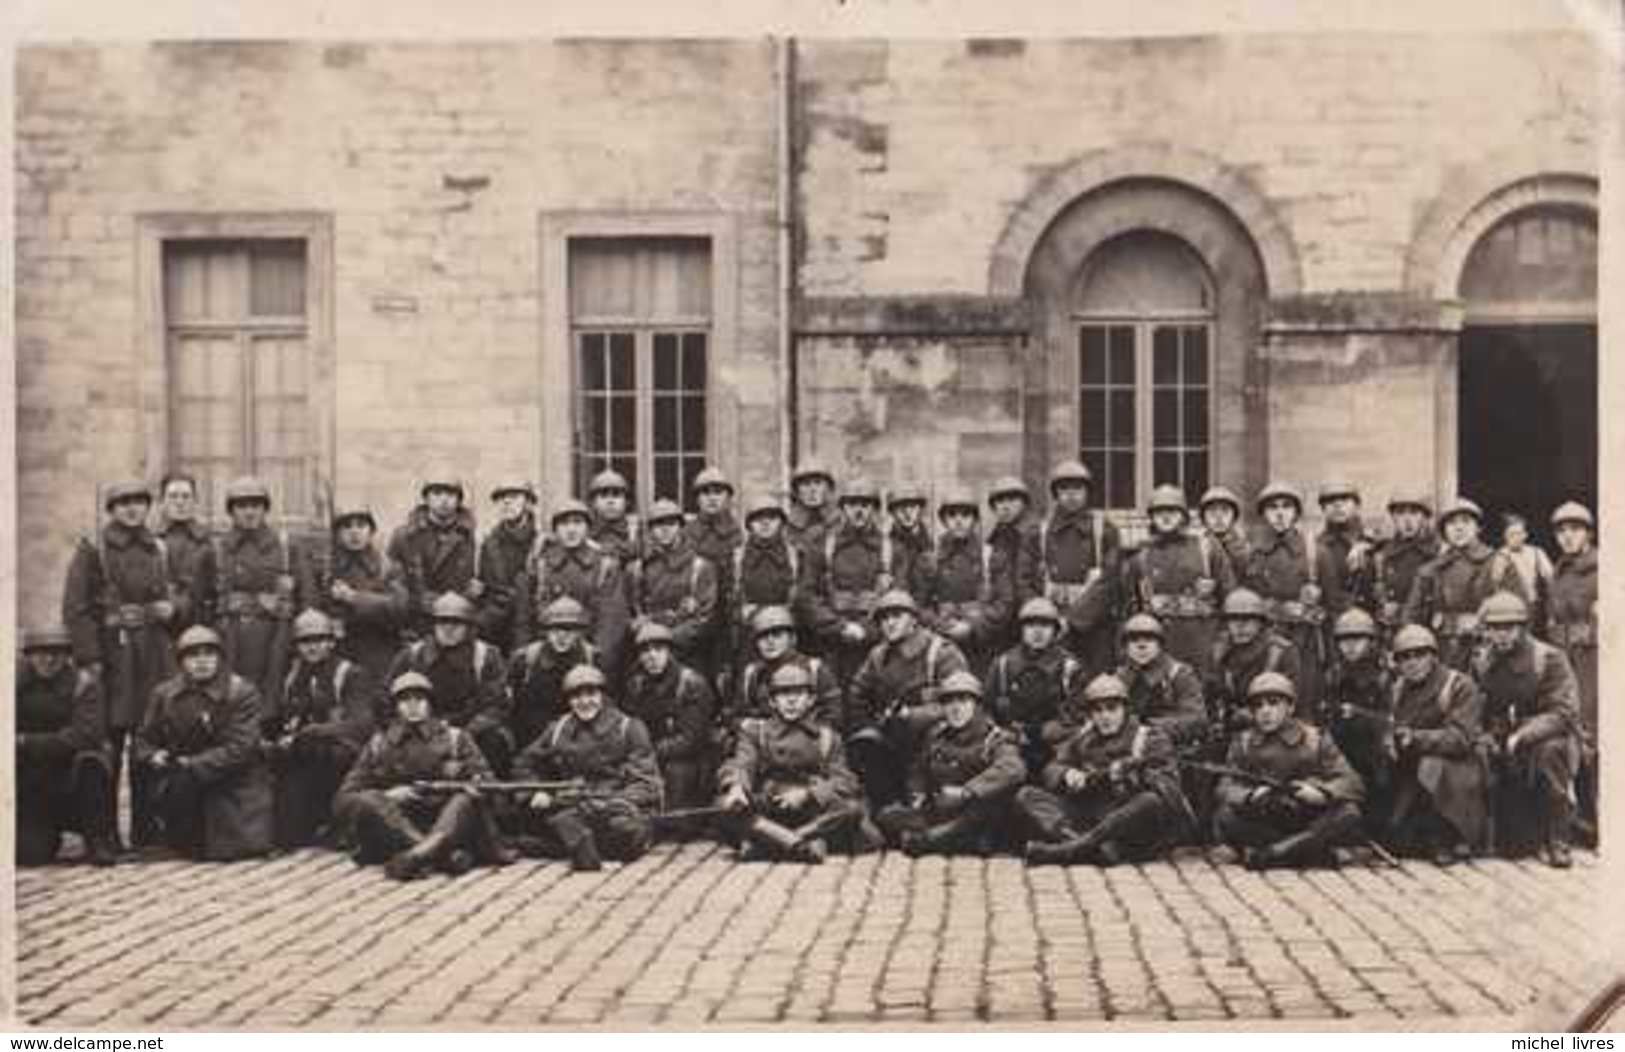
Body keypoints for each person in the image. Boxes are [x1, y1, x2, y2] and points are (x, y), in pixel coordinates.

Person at [62, 479, 177, 848]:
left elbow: (177, 596)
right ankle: (104, 831)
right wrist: (90, 658)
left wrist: (172, 609)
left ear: (148, 507)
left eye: (138, 503)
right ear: (111, 510)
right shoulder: (93, 548)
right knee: (107, 742)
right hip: (112, 657)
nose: (131, 509)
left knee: (147, 739)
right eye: (123, 503)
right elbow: (76, 608)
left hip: (154, 656)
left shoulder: (159, 547)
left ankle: (148, 828)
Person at [333, 670, 502, 881]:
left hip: (449, 825)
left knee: (464, 801)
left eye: (419, 699)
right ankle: (437, 854)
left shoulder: (455, 738)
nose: (412, 706)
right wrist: (389, 796)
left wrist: (475, 785)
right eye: (405, 700)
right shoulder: (379, 744)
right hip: (396, 826)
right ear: (396, 706)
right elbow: (344, 799)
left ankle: (415, 856)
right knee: (369, 799)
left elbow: (490, 783)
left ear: (430, 704)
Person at [1018, 674, 1192, 866]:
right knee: (1027, 795)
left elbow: (1169, 789)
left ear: (1125, 710)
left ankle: (1070, 850)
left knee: (1149, 801)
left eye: (1112, 709)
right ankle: (1087, 844)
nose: (1105, 716)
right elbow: (1052, 768)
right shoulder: (1084, 738)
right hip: (1094, 814)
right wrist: (1066, 774)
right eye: (1098, 711)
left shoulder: (1148, 738)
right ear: (1091, 715)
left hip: (1131, 825)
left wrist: (1133, 776)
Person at [134, 626, 274, 861]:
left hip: (232, 783)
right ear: (181, 662)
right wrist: (153, 755)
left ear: (220, 658)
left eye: (209, 654)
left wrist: (190, 764)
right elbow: (143, 739)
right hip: (184, 783)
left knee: (229, 847)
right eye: (192, 655)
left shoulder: (241, 692)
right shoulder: (164, 694)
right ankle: (158, 833)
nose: (202, 661)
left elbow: (241, 749)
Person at [1470, 592, 1582, 868]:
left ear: (1523, 627)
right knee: (1514, 846)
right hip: (1504, 736)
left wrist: (1523, 735)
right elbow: (1479, 707)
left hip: (1548, 735)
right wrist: (1486, 735)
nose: (1501, 636)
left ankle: (1559, 839)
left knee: (1549, 755)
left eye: (1509, 628)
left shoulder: (1549, 658)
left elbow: (1563, 712)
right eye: (1494, 628)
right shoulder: (1483, 662)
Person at [717, 663, 872, 863]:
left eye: (798, 694)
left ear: (810, 700)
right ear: (773, 701)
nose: (791, 701)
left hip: (812, 813)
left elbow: (844, 781)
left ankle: (775, 843)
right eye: (783, 695)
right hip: (770, 807)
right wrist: (737, 787)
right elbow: (743, 762)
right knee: (723, 807)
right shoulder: (756, 732)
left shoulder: (827, 736)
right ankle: (802, 844)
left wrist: (808, 794)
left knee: (852, 810)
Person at [512, 665, 662, 871]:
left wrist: (610, 802)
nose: (584, 702)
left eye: (591, 693)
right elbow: (524, 763)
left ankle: (571, 845)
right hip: (571, 805)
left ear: (602, 695)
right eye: (576, 696)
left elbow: (646, 784)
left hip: (614, 810)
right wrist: (536, 791)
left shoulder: (629, 728)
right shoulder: (558, 729)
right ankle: (578, 844)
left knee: (626, 831)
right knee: (539, 822)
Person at [1212, 672, 1365, 870]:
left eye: (1274, 703)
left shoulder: (1315, 738)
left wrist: (1321, 793)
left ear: (1290, 707)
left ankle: (1273, 854)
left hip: (1308, 818)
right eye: (1258, 706)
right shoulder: (1243, 742)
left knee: (1349, 812)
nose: (1265, 711)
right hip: (1267, 820)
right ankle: (1312, 853)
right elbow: (1224, 787)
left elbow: (1353, 783)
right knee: (1225, 816)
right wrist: (1250, 795)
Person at [875, 672, 1026, 856]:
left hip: (975, 812)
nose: (955, 709)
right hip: (942, 809)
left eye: (963, 701)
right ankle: (952, 840)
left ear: (977, 705)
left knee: (983, 812)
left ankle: (932, 840)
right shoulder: (936, 735)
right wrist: (918, 794)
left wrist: (967, 791)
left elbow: (1013, 769)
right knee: (887, 816)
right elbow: (919, 769)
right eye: (949, 702)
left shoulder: (994, 738)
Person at [844, 590, 970, 809]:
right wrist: (870, 725)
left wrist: (912, 715)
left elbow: (964, 706)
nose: (889, 623)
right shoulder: (878, 656)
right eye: (883, 618)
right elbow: (857, 694)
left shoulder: (942, 653)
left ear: (913, 619)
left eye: (896, 616)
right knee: (866, 748)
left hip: (936, 739)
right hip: (893, 739)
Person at [265, 610, 374, 849]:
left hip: (341, 756)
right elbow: (286, 718)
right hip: (305, 755)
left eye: (319, 640)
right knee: (289, 833)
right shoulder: (293, 676)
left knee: (328, 755)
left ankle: (338, 823)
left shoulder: (350, 673)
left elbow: (361, 724)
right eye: (305, 641)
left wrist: (315, 731)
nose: (312, 647)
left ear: (331, 642)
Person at [15, 626, 116, 866]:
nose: (48, 660)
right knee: (30, 855)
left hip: (72, 775)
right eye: (40, 653)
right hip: (33, 779)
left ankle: (97, 837)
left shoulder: (84, 685)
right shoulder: (13, 685)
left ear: (67, 656)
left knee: (92, 760)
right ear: (28, 655)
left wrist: (25, 741)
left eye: (56, 653)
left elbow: (84, 736)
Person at [1387, 624, 1487, 864]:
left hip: (1458, 769)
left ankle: (1447, 836)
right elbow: (1391, 724)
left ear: (1433, 656)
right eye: (1404, 657)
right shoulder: (1397, 690)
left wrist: (1416, 737)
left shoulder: (1459, 685)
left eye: (1419, 654)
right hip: (1414, 769)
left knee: (1432, 766)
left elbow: (1461, 738)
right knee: (1396, 839)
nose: (1412, 663)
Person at [385, 594, 514, 776]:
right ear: (433, 626)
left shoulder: (486, 656)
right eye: (442, 623)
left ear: (468, 627)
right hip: (421, 727)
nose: (448, 629)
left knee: (495, 741)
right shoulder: (412, 656)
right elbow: (385, 698)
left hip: (472, 729)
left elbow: (496, 704)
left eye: (456, 624)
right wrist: (421, 728)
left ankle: (490, 796)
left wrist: (463, 734)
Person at [1123, 484, 1234, 677]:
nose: (1165, 517)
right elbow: (1130, 608)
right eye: (1159, 512)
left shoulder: (1207, 547)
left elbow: (1231, 598)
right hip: (1158, 646)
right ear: (1152, 517)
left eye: (1172, 511)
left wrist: (1221, 644)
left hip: (1202, 646)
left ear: (1183, 515)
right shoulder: (1141, 556)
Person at [1244, 482, 1334, 716]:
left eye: (1286, 507)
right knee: (1265, 704)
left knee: (1304, 706)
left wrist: (1332, 659)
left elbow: (1332, 608)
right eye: (1272, 508)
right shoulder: (1253, 554)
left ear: (1296, 513)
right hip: (1267, 643)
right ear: (1264, 514)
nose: (1280, 513)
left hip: (1306, 644)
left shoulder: (1316, 552)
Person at [1403, 498, 1525, 670]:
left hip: (1490, 657)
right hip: (1443, 657)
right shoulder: (1430, 571)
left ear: (1478, 528)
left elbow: (1522, 616)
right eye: (1452, 523)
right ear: (1444, 530)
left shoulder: (1498, 565)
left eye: (1466, 521)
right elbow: (1411, 620)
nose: (1459, 528)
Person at [515, 499, 631, 673]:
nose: (571, 530)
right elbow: (523, 618)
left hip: (588, 657)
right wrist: (526, 657)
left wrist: (596, 662)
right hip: (546, 656)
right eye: (564, 523)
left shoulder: (604, 566)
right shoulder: (540, 564)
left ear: (587, 528)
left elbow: (610, 623)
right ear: (555, 530)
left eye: (578, 522)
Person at [806, 478, 897, 688]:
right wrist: (840, 627)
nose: (859, 511)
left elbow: (900, 597)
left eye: (865, 505)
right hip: (833, 643)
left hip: (877, 642)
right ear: (843, 508)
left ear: (874, 509)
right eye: (852, 504)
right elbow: (807, 596)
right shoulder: (823, 546)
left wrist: (867, 629)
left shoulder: (891, 549)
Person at [1036, 461, 1122, 673]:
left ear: (1087, 492)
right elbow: (1025, 578)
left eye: (1077, 488)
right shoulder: (1039, 531)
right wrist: (1044, 617)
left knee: (1097, 684)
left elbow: (1110, 579)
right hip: (1051, 624)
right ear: (1056, 494)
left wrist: (1073, 620)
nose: (1071, 495)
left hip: (1095, 626)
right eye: (1064, 489)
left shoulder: (1105, 529)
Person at [1545, 501, 1598, 843]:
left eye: (1575, 529)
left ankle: (1599, 819)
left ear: (1588, 533)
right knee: (1571, 734)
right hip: (1565, 662)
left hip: (1594, 662)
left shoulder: (1604, 568)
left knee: (1595, 735)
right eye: (1561, 531)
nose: (1568, 537)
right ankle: (1579, 819)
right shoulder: (1557, 572)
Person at [621, 622, 716, 813]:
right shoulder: (636, 684)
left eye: (658, 649)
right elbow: (629, 723)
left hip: (687, 761)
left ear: (670, 651)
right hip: (649, 755)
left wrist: (649, 752)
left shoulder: (691, 684)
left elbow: (691, 740)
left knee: (677, 774)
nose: (652, 656)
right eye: (645, 651)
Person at [920, 486, 1013, 677]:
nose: (959, 520)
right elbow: (921, 605)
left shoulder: (992, 556)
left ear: (974, 519)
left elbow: (1005, 602)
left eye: (965, 514)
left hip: (982, 645)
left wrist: (974, 626)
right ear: (944, 520)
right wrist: (944, 627)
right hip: (943, 643)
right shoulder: (931, 558)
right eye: (952, 515)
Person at [986, 597, 1084, 775]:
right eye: (1031, 625)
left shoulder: (1069, 667)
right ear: (1021, 630)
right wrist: (1005, 732)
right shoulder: (1002, 664)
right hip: (1013, 740)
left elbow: (1075, 717)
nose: (1038, 632)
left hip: (1054, 742)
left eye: (1045, 626)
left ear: (1055, 631)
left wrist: (1037, 733)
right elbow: (987, 710)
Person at [1320, 608, 1394, 836]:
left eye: (1357, 639)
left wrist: (1360, 714)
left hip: (1374, 746)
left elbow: (1392, 719)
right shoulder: (1333, 675)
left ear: (1371, 642)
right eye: (1344, 640)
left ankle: (1376, 827)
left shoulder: (1384, 677)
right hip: (1342, 744)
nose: (1350, 646)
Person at [629, 498, 720, 672]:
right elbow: (632, 612)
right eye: (658, 525)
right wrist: (645, 630)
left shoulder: (700, 567)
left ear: (680, 527)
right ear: (650, 530)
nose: (664, 529)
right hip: (649, 653)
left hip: (689, 655)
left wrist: (668, 637)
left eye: (671, 523)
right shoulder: (637, 569)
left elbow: (705, 618)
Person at [321, 507, 409, 684]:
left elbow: (400, 609)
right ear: (337, 533)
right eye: (346, 526)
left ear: (371, 532)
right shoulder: (326, 568)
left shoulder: (388, 568)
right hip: (339, 652)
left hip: (379, 651)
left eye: (361, 525)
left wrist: (353, 597)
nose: (354, 532)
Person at [386, 476, 479, 640]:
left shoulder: (474, 538)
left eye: (450, 494)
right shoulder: (404, 536)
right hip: (416, 625)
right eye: (436, 493)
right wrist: (418, 602)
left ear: (458, 501)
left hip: (458, 624)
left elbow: (481, 583)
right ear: (426, 499)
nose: (443, 500)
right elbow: (394, 583)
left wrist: (471, 595)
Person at [507, 597, 600, 752]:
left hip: (578, 735)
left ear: (579, 633)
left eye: (569, 630)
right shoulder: (526, 659)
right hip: (533, 735)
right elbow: (514, 706)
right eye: (555, 630)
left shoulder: (592, 658)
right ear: (545, 632)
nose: (561, 636)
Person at [727, 495, 804, 677]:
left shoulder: (795, 555)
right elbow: (727, 601)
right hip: (750, 637)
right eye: (758, 518)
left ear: (781, 523)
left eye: (772, 517)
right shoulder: (737, 556)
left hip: (785, 634)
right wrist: (743, 613)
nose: (765, 522)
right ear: (749, 525)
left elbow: (805, 597)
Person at [731, 605, 842, 729]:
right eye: (763, 636)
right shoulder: (752, 674)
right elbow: (737, 715)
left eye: (777, 635)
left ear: (792, 639)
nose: (770, 641)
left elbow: (833, 715)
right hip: (764, 741)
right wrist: (746, 724)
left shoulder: (815, 669)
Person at [1114, 614, 1208, 750]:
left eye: (1149, 639)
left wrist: (1153, 727)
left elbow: (1197, 719)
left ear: (1160, 645)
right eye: (1134, 640)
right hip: (1129, 743)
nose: (1141, 646)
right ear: (1126, 647)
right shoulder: (1120, 677)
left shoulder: (1179, 673)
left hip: (1174, 745)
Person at [685, 466, 744, 683]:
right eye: (705, 492)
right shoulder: (686, 534)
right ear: (697, 499)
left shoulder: (739, 534)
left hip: (728, 616)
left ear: (728, 497)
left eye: (718, 492)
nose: (712, 498)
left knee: (727, 673)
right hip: (697, 614)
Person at [476, 479, 540, 652]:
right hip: (496, 630)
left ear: (528, 503)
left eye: (514, 496)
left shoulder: (541, 542)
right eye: (501, 498)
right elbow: (483, 589)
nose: (506, 502)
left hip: (533, 629)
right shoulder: (488, 544)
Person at [1370, 494, 1439, 641]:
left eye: (1414, 513)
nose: (1407, 520)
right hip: (1393, 631)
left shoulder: (1438, 554)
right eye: (1400, 513)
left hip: (1429, 632)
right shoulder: (1381, 555)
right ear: (1393, 518)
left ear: (1424, 517)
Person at [985, 475, 1044, 642]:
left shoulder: (1039, 535)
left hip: (1035, 619)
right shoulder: (994, 542)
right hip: (1003, 623)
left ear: (1024, 503)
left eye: (1012, 499)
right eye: (999, 501)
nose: (1005, 506)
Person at [154, 473, 211, 633]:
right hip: (159, 628)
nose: (180, 502)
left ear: (195, 501)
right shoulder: (149, 541)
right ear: (161, 502)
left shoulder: (208, 543)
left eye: (186, 496)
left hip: (198, 625)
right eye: (173, 496)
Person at [1315, 482, 1377, 621]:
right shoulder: (1315, 548)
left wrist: (1368, 547)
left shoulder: (1374, 543)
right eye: (1330, 501)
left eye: (1344, 500)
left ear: (1357, 506)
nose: (1338, 505)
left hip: (1367, 620)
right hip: (1329, 621)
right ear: (1323, 509)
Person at [1498, 513, 1554, 629]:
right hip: (1511, 611)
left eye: (1519, 533)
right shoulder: (1500, 556)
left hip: (1536, 609)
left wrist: (1551, 615)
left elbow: (1552, 581)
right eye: (1511, 534)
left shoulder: (1537, 553)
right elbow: (1495, 586)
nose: (1516, 538)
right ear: (1504, 536)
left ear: (1525, 535)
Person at [886, 484, 933, 602]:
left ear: (921, 510)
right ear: (893, 512)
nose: (907, 513)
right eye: (901, 508)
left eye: (912, 507)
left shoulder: (933, 546)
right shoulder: (886, 546)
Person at [783, 460, 842, 556]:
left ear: (828, 488)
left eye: (818, 483)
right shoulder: (791, 525)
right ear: (797, 491)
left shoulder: (839, 520)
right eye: (806, 484)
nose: (812, 490)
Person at [586, 469, 640, 564]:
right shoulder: (585, 533)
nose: (610, 501)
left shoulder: (638, 532)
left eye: (616, 495)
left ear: (627, 501)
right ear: (593, 502)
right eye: (603, 496)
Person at [1198, 486, 1251, 578]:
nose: (1219, 517)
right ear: (1204, 518)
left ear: (1234, 517)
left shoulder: (1245, 547)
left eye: (1225, 510)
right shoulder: (1198, 546)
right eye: (1212, 511)